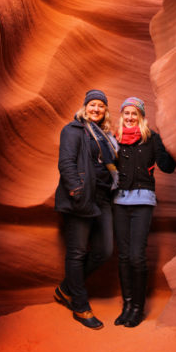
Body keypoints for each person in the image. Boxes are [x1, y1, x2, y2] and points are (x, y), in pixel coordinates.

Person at [54, 89, 118, 330]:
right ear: (85, 107)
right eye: (92, 104)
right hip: (82, 197)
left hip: (102, 197)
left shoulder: (105, 136)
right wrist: (77, 192)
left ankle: (65, 289)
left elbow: (112, 165)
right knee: (77, 252)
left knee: (104, 250)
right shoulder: (73, 130)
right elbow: (66, 162)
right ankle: (80, 307)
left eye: (101, 106)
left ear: (105, 111)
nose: (96, 109)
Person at [113, 96, 176, 327]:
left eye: (134, 114)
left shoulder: (152, 139)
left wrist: (173, 141)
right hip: (119, 202)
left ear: (141, 116)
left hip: (143, 202)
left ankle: (138, 308)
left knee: (136, 256)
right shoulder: (115, 140)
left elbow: (167, 168)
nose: (130, 117)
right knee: (123, 255)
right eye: (126, 113)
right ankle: (127, 305)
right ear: (122, 116)